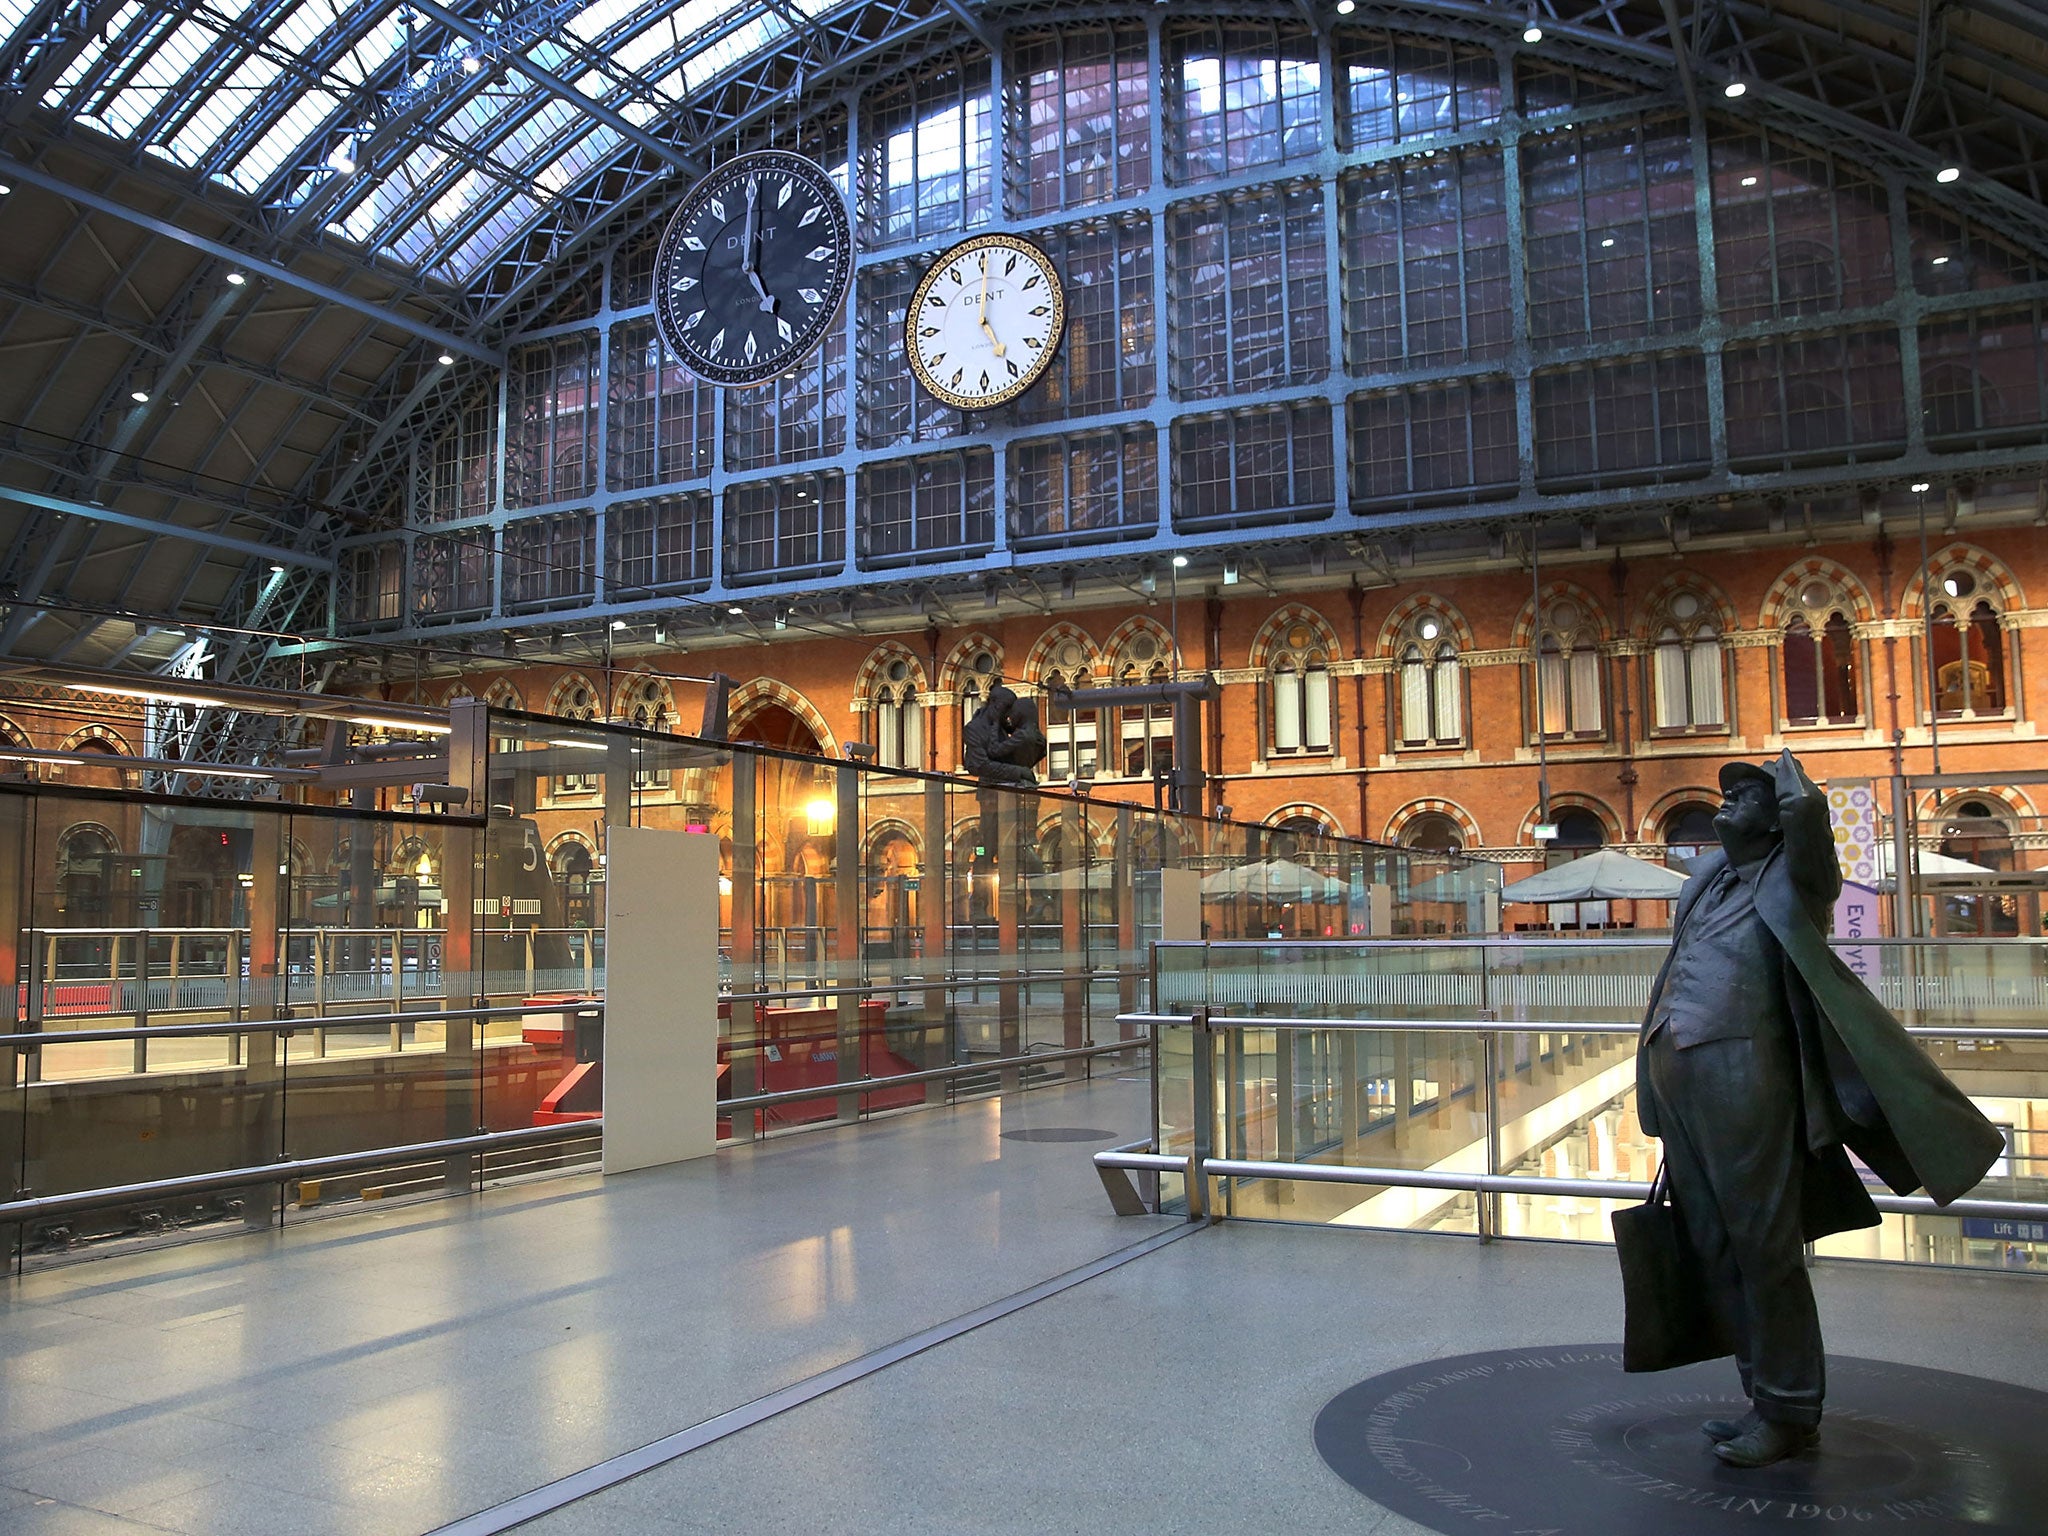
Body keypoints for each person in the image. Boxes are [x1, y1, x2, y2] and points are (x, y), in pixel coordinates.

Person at [1633, 749, 2003, 1468]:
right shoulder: (1706, 878)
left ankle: (1790, 1409)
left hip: (1747, 1073)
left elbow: (1808, 822)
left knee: (1760, 1243)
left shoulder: (1798, 879)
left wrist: (1787, 774)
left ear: (1776, 820)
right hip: (1682, 1075)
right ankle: (1758, 1396)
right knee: (1711, 1240)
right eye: (1729, 793)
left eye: (1747, 796)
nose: (1728, 802)